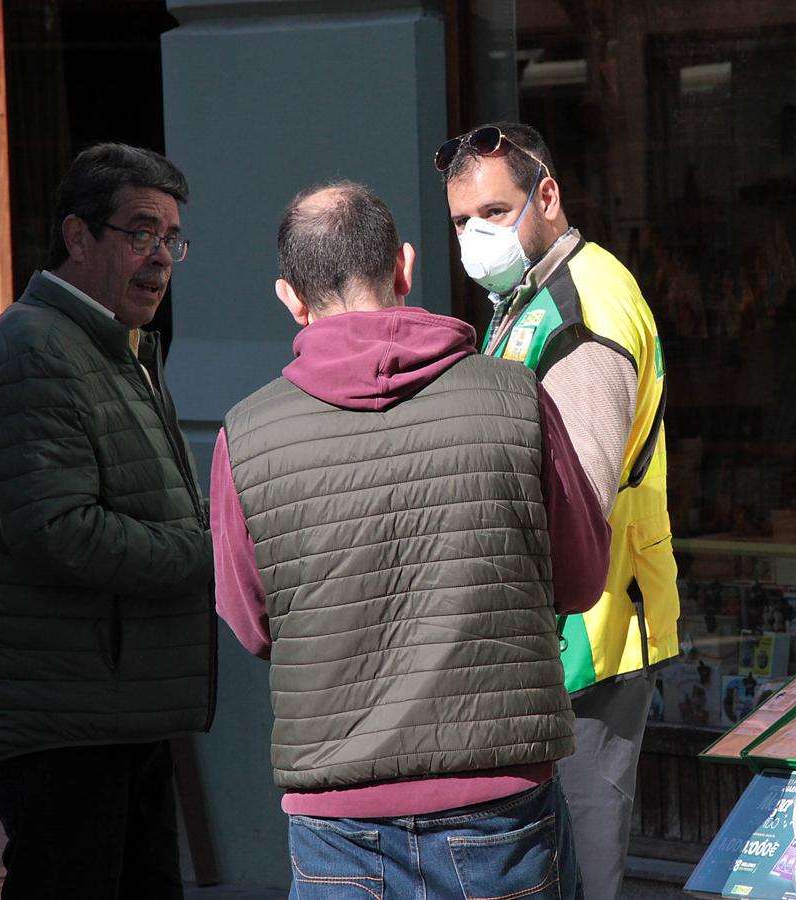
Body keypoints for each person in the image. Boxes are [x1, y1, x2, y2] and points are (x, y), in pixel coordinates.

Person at [210, 181, 610, 898]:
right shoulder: (515, 396)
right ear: (405, 267)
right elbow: (582, 580)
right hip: (499, 802)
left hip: (337, 810)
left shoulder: (245, 435)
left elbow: (252, 622)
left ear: (289, 298)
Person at [0, 143, 214, 898]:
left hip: (121, 713)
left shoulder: (115, 349)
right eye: (141, 234)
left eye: (171, 240)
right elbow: (59, 531)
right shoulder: (34, 348)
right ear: (78, 236)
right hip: (66, 723)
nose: (160, 258)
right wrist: (210, 554)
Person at [438, 122, 681, 899]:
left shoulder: (583, 309)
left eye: (495, 211)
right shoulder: (528, 294)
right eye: (460, 220)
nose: (476, 234)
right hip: (554, 639)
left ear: (547, 195)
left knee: (583, 867)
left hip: (588, 640)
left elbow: (577, 501)